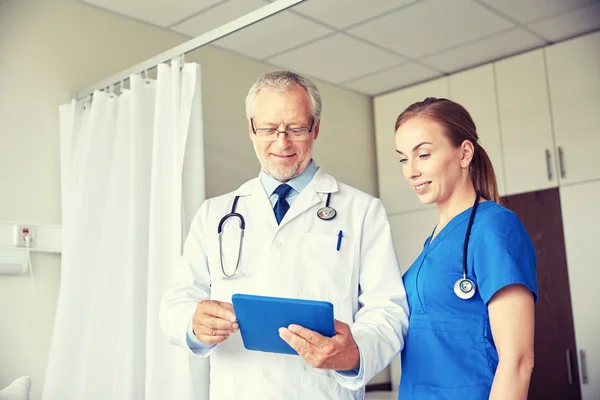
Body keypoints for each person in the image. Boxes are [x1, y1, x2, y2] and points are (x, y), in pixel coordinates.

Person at [159, 70, 409, 399]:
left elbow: (388, 309)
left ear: (315, 128)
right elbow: (176, 302)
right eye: (268, 129)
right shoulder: (214, 214)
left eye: (295, 128)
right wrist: (193, 323)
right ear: (251, 129)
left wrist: (353, 353)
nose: (281, 142)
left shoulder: (362, 211)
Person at [393, 97, 537, 399]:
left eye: (424, 155)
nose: (411, 171)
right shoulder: (434, 240)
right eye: (404, 159)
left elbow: (518, 361)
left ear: (464, 153)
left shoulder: (493, 227)